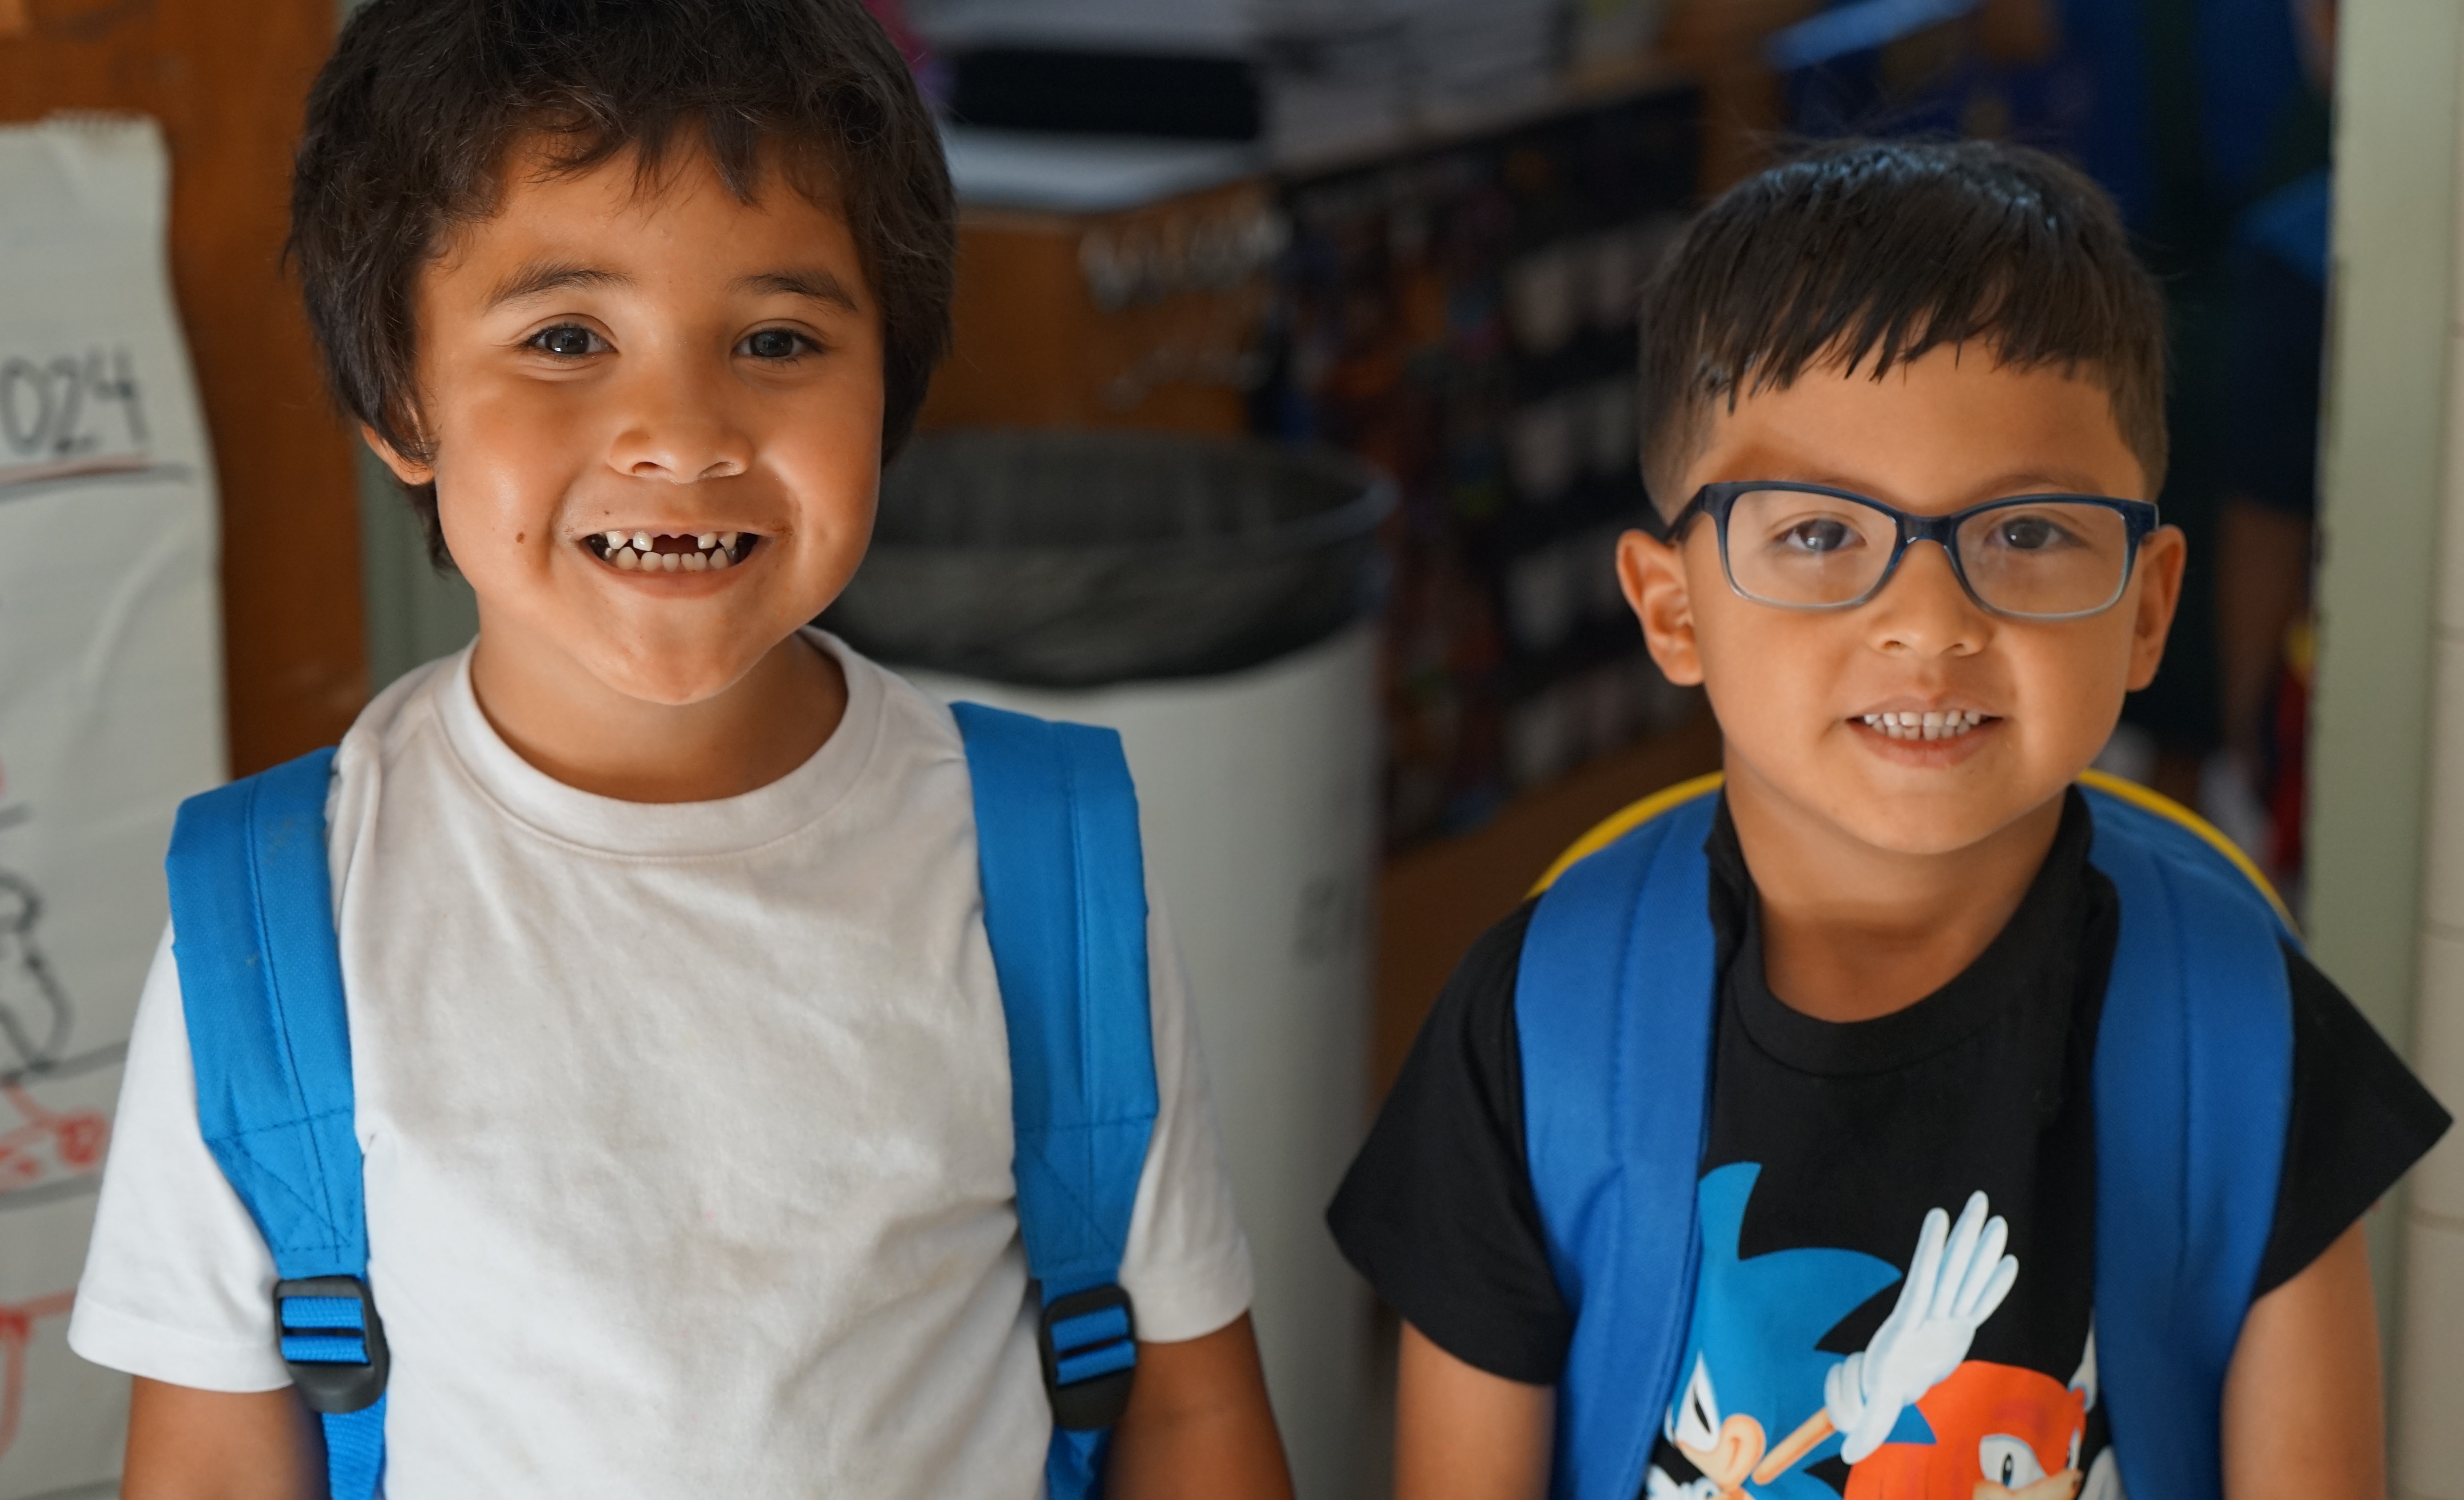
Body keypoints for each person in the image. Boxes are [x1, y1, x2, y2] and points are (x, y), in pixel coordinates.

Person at [66, 2, 1290, 1496]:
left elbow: (1191, 1412)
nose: (682, 430)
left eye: (777, 339)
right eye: (567, 337)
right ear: (398, 397)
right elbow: (207, 1463)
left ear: (888, 383)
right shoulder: (270, 920)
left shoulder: (1040, 855)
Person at [1329, 140, 2448, 1500]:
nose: (1927, 622)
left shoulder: (2248, 1031)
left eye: (2027, 532)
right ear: (1671, 607)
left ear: (2146, 607)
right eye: (1816, 535)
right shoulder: (1534, 1025)